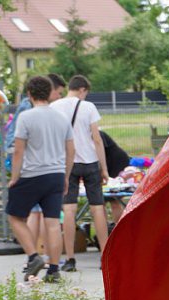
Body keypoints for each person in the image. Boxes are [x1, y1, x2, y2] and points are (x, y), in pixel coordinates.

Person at [5, 76, 74, 283]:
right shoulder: (61, 118)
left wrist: (15, 177)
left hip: (32, 175)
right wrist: (66, 176)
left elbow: (18, 151)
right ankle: (53, 270)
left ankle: (34, 256)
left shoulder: (26, 117)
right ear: (50, 92)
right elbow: (71, 150)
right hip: (56, 175)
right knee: (52, 222)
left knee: (14, 216)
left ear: (29, 94)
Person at [51, 75, 109, 270]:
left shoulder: (55, 107)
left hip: (67, 163)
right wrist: (105, 168)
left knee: (69, 210)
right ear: (82, 89)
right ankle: (105, 256)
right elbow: (97, 139)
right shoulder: (88, 107)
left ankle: (70, 259)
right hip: (90, 162)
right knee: (97, 208)